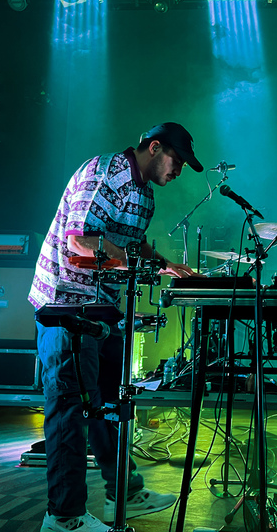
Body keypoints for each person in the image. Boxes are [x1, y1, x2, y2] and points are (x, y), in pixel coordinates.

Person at [28, 122, 203, 532]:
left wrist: (164, 264)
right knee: (70, 409)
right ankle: (64, 516)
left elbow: (132, 242)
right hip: (66, 305)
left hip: (101, 306)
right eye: (176, 160)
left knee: (110, 403)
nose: (179, 170)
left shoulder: (145, 193)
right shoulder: (104, 174)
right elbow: (79, 241)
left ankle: (124, 493)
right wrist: (127, 261)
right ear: (154, 148)